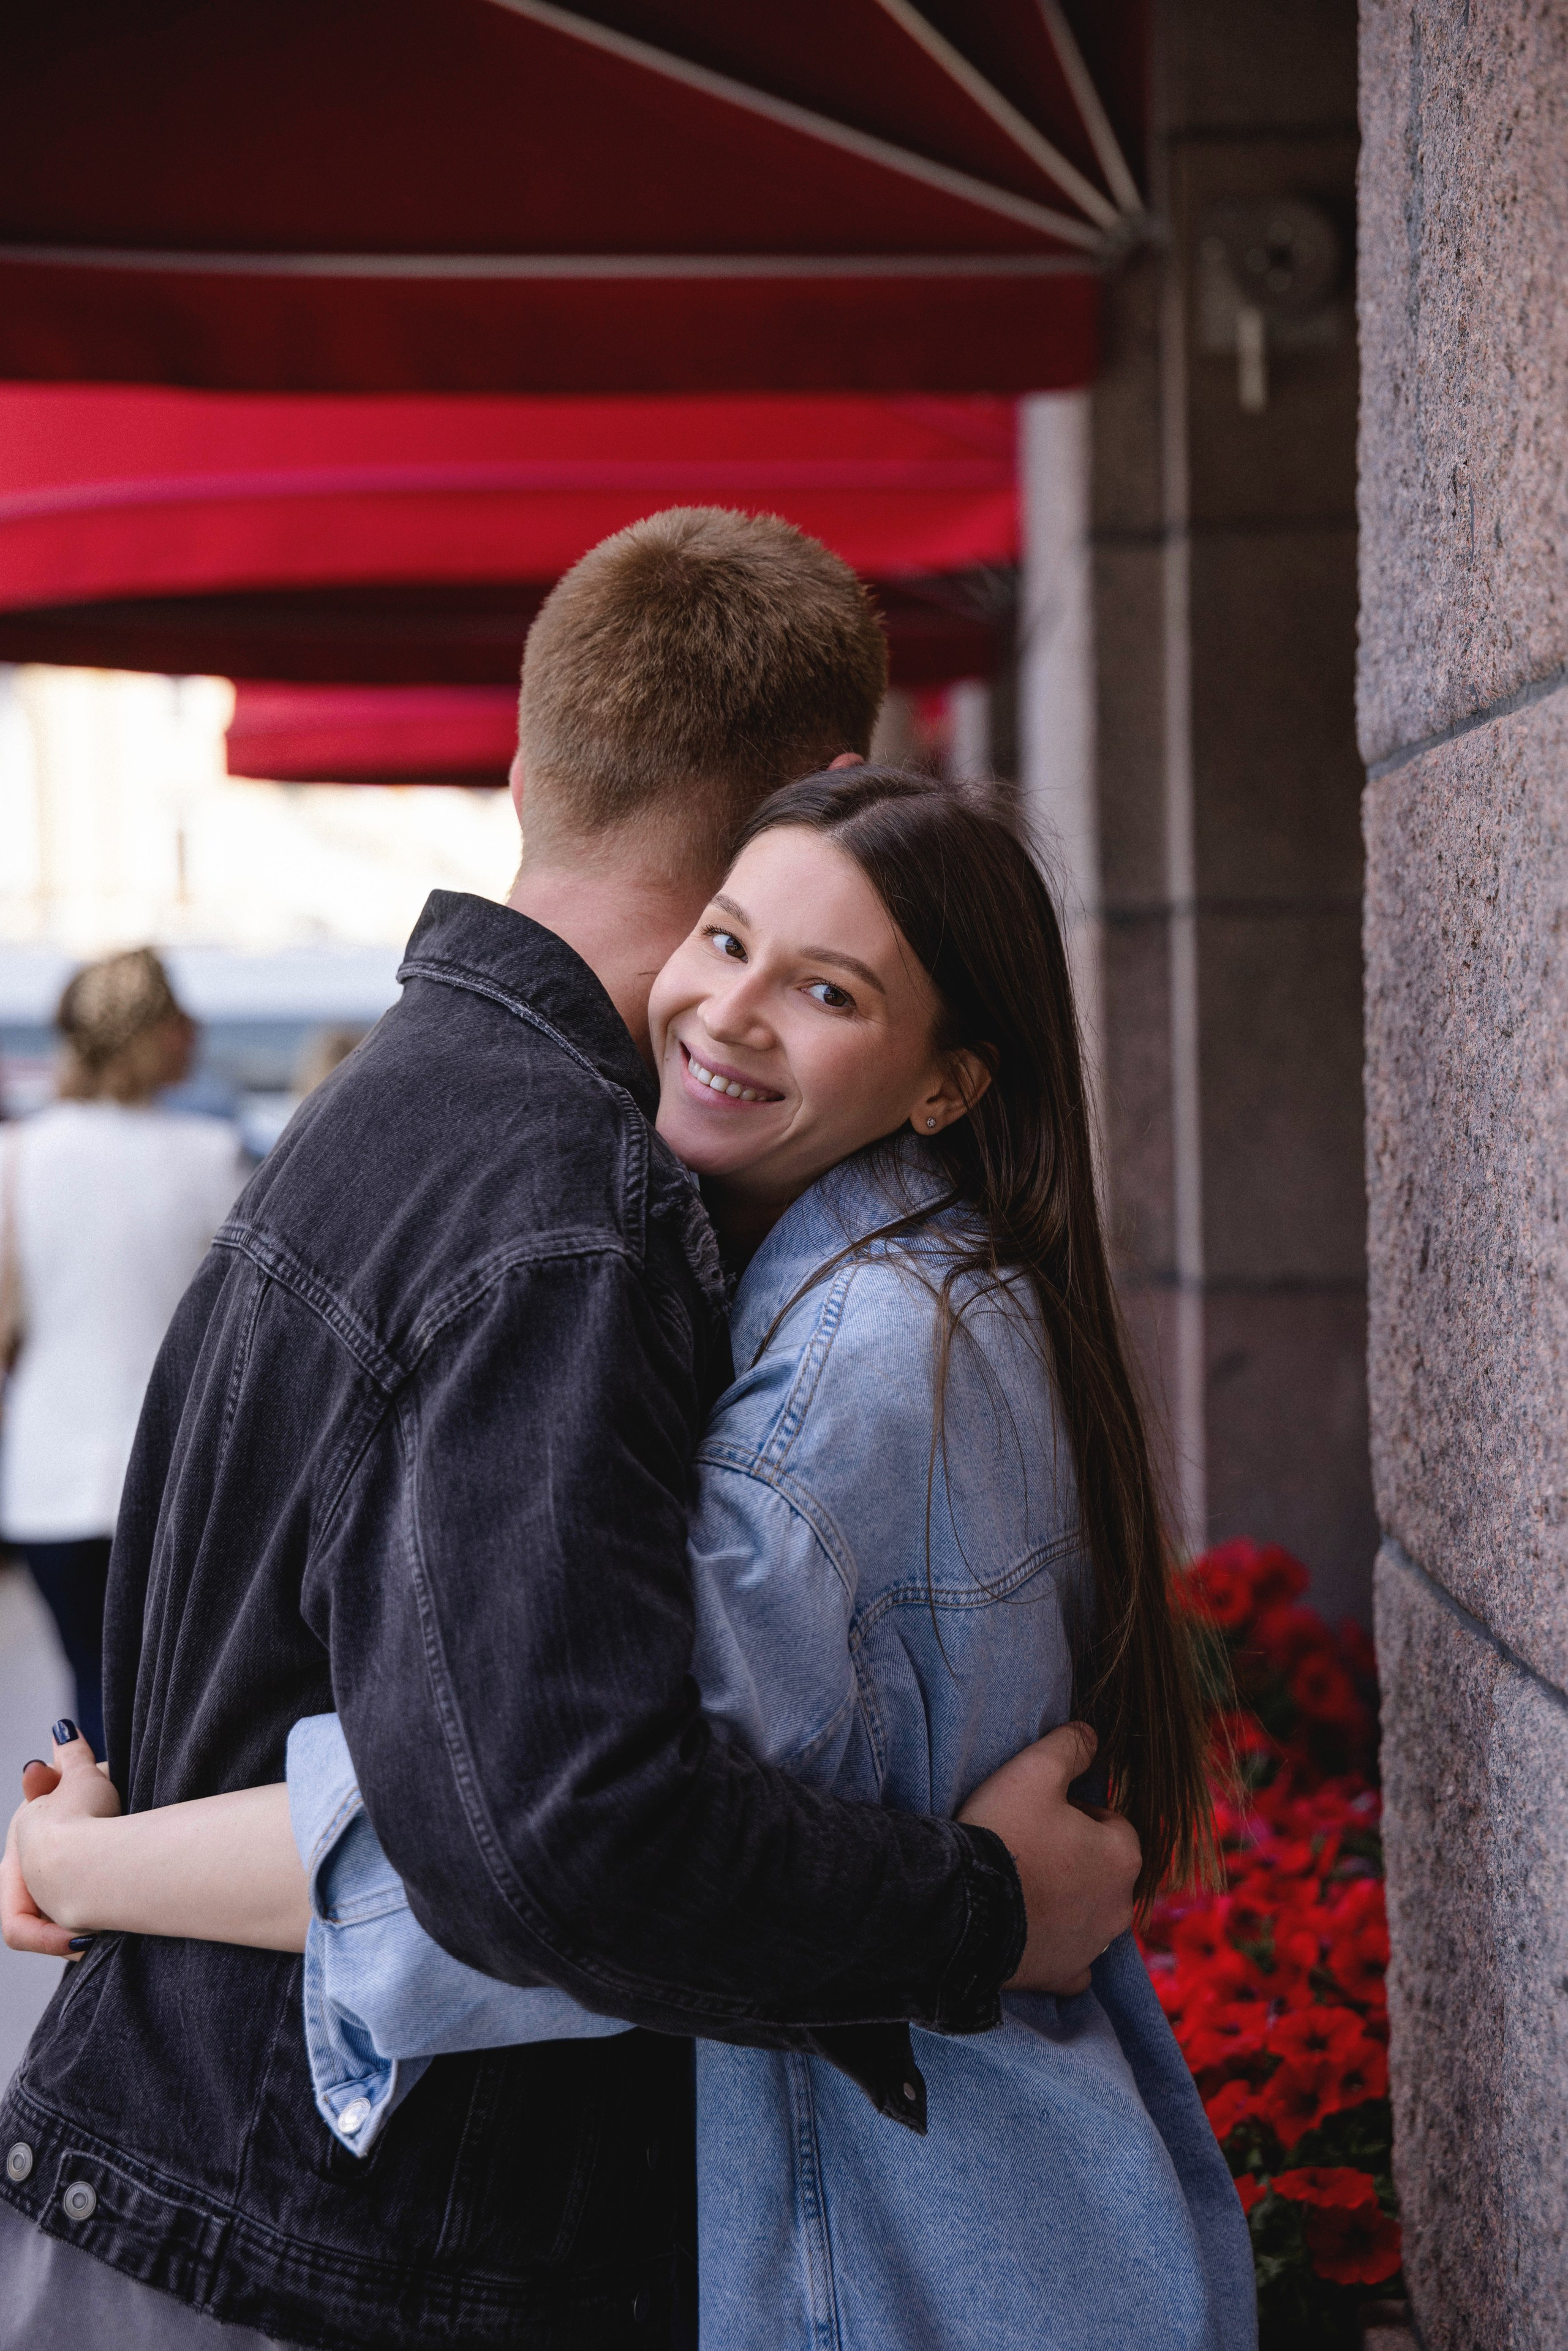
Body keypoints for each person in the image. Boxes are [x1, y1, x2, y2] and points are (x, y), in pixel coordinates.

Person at [0, 513, 1141, 2351]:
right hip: (309, 2241)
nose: (745, 1009)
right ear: (826, 791)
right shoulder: (570, 1195)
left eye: (824, 985)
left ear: (524, 762)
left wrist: (82, 1844)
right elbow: (557, 1831)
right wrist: (980, 1909)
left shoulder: (388, 1107)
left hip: (212, 2191)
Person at [0, 949, 244, 1754]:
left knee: (90, 1687)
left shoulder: (19, 1158)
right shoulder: (213, 1157)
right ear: (154, 1035)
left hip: (50, 1476)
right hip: (178, 1471)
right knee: (171, 1699)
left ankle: (93, 1854)